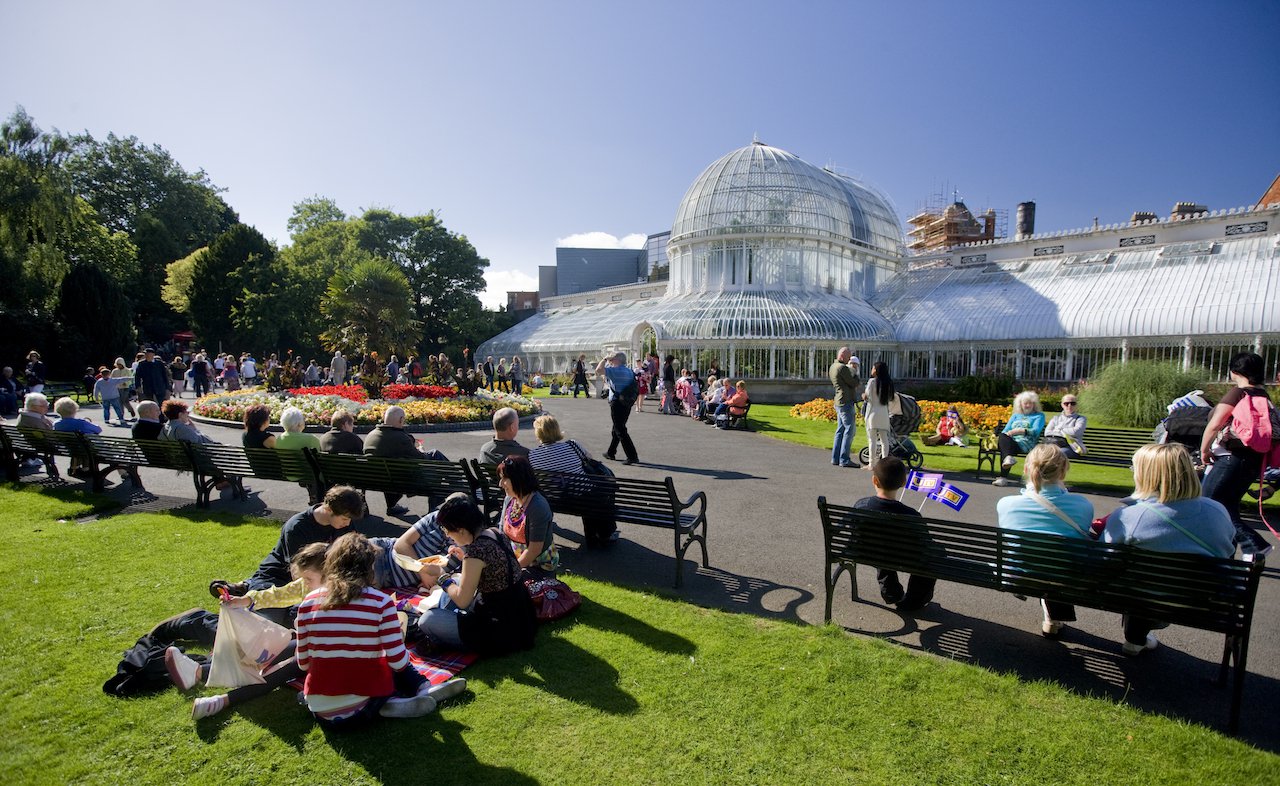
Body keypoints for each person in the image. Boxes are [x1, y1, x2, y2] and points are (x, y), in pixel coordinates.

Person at [1102, 443, 1236, 654]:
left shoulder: (1130, 517)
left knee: (1139, 576)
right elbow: (1226, 552)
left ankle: (1135, 637)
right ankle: (1136, 638)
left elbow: (1105, 557)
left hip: (1142, 595)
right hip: (1203, 600)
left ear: (1146, 475)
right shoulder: (1217, 511)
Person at [170, 543, 329, 720]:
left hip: (326, 653)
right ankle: (199, 671)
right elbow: (278, 595)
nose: (305, 584)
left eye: (308, 579)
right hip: (310, 642)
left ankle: (224, 699)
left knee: (288, 665)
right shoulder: (307, 586)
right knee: (271, 651)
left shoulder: (340, 594)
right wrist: (244, 600)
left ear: (329, 573)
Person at [295, 533, 436, 725]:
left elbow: (303, 664)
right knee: (390, 663)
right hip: (366, 701)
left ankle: (391, 701)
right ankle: (407, 693)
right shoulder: (380, 602)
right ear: (370, 567)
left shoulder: (308, 602)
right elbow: (398, 661)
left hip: (321, 711)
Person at [417, 494, 538, 656]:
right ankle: (444, 634)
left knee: (427, 620)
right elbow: (494, 568)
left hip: (498, 630)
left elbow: (462, 600)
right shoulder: (495, 533)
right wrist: (464, 557)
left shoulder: (475, 553)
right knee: (451, 592)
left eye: (447, 530)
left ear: (460, 530)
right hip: (521, 618)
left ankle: (443, 639)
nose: (447, 535)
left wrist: (441, 575)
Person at [995, 444, 1094, 637]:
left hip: (1022, 574)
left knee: (1043, 558)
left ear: (1026, 469)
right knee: (1057, 560)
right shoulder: (1082, 505)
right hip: (1067, 576)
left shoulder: (1006, 504)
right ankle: (1052, 617)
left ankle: (1052, 617)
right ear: (1064, 471)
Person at [211, 485, 365, 600]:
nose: (347, 523)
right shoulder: (297, 527)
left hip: (319, 577)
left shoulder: (344, 524)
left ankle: (245, 586)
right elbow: (298, 573)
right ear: (329, 509)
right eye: (345, 519)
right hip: (279, 577)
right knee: (274, 619)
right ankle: (199, 619)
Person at [1199, 351, 1274, 558]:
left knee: (1211, 503)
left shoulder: (1238, 393)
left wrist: (1204, 450)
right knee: (1228, 505)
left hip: (1231, 457)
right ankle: (1227, 552)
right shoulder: (1263, 396)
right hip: (1253, 459)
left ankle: (1254, 545)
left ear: (1234, 371)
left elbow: (1215, 425)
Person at [855, 457, 936, 612]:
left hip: (867, 553)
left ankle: (891, 592)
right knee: (930, 559)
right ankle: (912, 602)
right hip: (902, 556)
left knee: (883, 546)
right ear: (903, 483)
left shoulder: (860, 506)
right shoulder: (911, 515)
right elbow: (924, 545)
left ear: (875, 480)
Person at [528, 413, 618, 546]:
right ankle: (605, 533)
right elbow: (590, 459)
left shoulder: (532, 456)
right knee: (600, 490)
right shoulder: (572, 445)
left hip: (553, 500)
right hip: (582, 498)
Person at [495, 455, 558, 580]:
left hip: (538, 568)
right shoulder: (510, 499)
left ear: (518, 478)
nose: (500, 484)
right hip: (515, 562)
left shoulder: (537, 506)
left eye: (504, 479)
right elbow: (502, 534)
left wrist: (509, 572)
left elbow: (534, 550)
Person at [365, 405, 431, 516]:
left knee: (389, 465)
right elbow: (421, 458)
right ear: (401, 420)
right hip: (400, 480)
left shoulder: (371, 435)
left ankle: (392, 505)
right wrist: (421, 450)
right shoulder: (401, 437)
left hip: (376, 479)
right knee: (435, 455)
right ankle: (454, 483)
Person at [994, 391, 1046, 487]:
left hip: (1026, 443)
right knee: (1003, 438)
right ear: (1020, 404)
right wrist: (1009, 434)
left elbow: (1036, 431)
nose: (1027, 405)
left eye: (1030, 403)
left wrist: (1020, 431)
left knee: (1005, 448)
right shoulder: (1015, 416)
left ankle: (1003, 478)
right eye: (1025, 403)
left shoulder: (1039, 416)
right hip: (1011, 442)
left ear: (1034, 404)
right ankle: (1008, 458)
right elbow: (1006, 430)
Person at [596, 352, 639, 464]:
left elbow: (598, 370)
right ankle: (611, 452)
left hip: (617, 403)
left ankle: (632, 456)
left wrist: (605, 359)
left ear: (617, 360)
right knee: (617, 428)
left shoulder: (615, 371)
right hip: (627, 402)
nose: (611, 361)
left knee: (620, 430)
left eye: (613, 359)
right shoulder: (629, 371)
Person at [829, 347, 862, 468]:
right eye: (848, 357)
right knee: (849, 430)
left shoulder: (833, 366)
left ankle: (835, 458)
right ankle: (844, 459)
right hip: (845, 401)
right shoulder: (842, 368)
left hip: (838, 400)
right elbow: (853, 383)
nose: (849, 360)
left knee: (840, 430)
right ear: (842, 356)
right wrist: (856, 373)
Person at [862, 361, 895, 467]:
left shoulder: (872, 382)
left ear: (876, 370)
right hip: (883, 413)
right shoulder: (888, 383)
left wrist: (864, 396)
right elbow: (890, 398)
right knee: (884, 439)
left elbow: (867, 396)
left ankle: (871, 463)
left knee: (872, 440)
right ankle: (884, 464)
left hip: (872, 413)